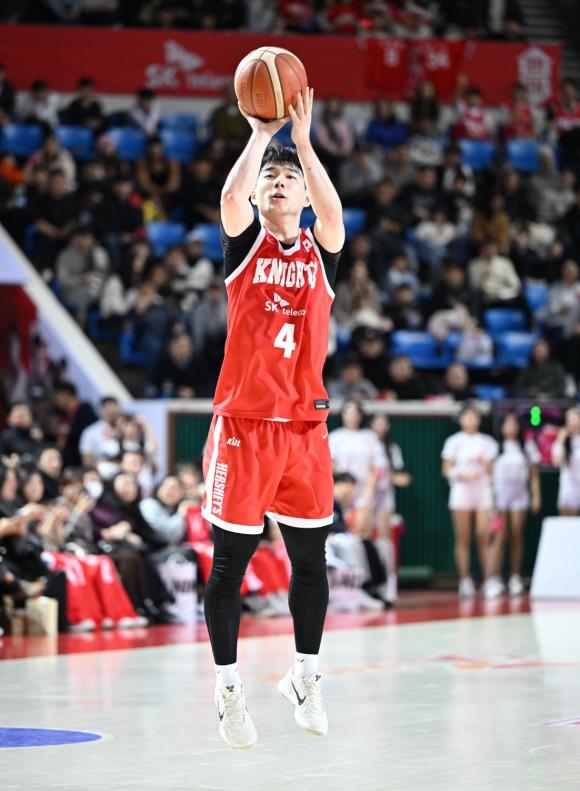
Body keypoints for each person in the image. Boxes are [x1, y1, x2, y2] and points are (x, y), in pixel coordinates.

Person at [201, 86, 344, 749]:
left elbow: (335, 214)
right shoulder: (244, 247)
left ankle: (306, 675)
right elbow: (230, 201)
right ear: (258, 196)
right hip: (244, 425)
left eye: (289, 179)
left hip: (304, 429)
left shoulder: (321, 251)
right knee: (230, 562)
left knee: (312, 562)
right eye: (270, 179)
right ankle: (228, 689)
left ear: (304, 194)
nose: (279, 183)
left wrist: (304, 144)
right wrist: (261, 135)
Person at [441, 403, 499, 598]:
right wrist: (461, 473)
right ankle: (465, 580)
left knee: (483, 535)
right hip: (461, 492)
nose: (471, 420)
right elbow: (446, 469)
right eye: (467, 416)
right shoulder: (453, 441)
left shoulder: (487, 442)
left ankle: (488, 580)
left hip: (482, 491)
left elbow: (492, 470)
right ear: (461, 420)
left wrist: (484, 468)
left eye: (474, 416)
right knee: (463, 537)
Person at [490, 414, 541, 597]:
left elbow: (533, 475)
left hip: (519, 495)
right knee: (499, 536)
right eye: (507, 423)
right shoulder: (494, 447)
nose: (511, 426)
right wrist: (491, 499)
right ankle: (494, 578)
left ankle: (515, 576)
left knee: (516, 536)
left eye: (514, 423)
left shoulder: (527, 447)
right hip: (500, 497)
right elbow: (489, 475)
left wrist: (536, 496)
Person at [369, 413, 411, 603]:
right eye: (377, 423)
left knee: (385, 541)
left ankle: (389, 583)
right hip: (365, 499)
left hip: (385, 499)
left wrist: (398, 478)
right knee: (363, 540)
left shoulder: (392, 449)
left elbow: (395, 474)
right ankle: (368, 584)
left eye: (383, 423)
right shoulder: (365, 445)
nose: (380, 427)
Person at [552, 407, 580, 516]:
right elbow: (556, 462)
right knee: (567, 522)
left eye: (577, 419)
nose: (575, 423)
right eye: (571, 420)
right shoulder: (562, 441)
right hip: (569, 487)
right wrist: (560, 441)